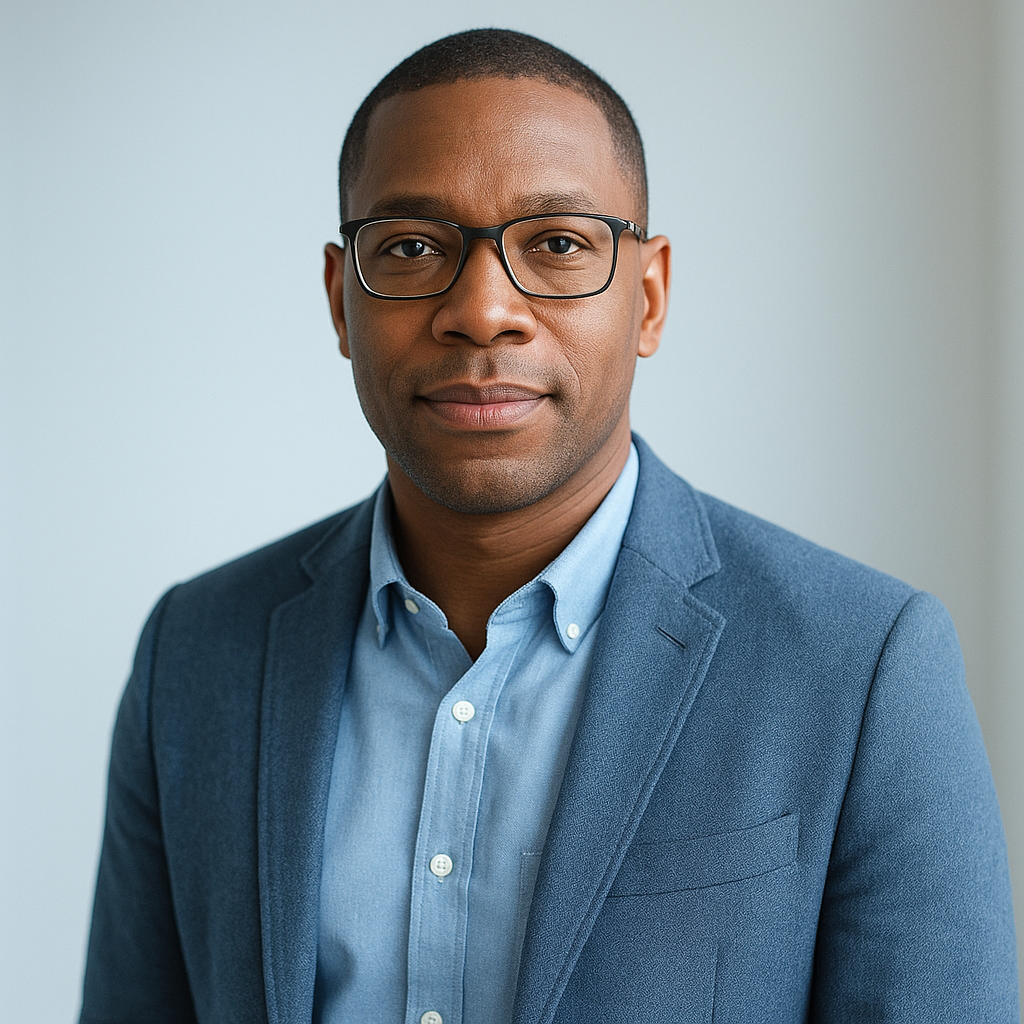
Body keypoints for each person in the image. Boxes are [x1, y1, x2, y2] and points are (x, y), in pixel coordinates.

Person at [79, 28, 1019, 1024]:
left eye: (558, 244)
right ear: (340, 301)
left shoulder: (861, 664)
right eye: (412, 247)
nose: (484, 310)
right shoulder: (196, 653)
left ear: (648, 297)